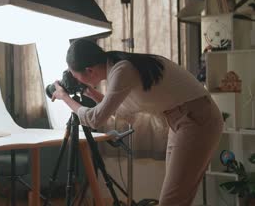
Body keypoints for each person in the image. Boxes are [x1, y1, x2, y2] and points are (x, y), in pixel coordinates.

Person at [51, 38, 223, 206]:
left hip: (197, 119)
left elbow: (95, 119)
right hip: (181, 121)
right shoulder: (118, 68)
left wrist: (64, 96)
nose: (77, 81)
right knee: (177, 198)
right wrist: (91, 94)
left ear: (89, 71)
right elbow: (124, 113)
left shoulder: (122, 70)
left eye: (76, 76)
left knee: (173, 199)